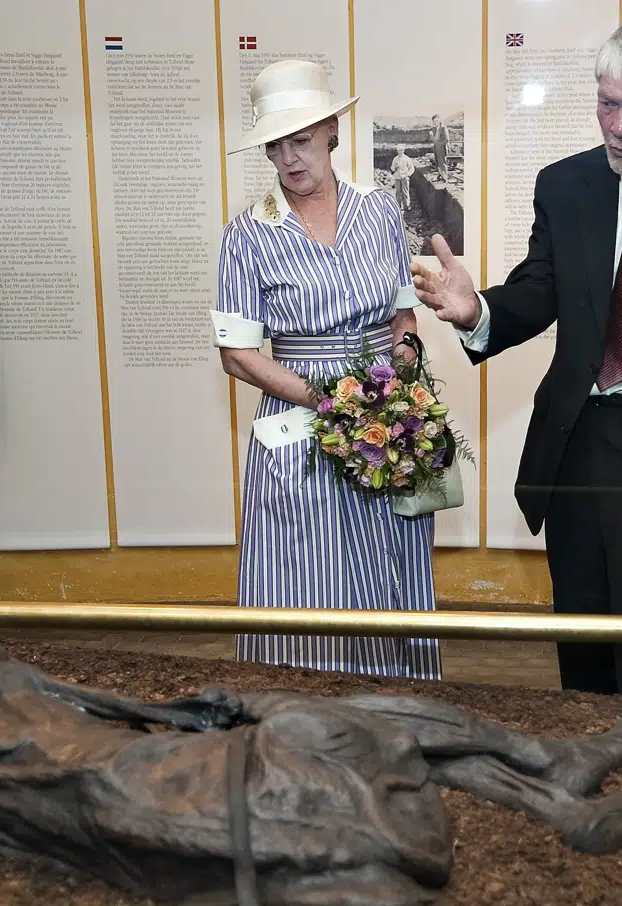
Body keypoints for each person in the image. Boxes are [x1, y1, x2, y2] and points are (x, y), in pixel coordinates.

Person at [411, 16, 622, 702]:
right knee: (580, 645)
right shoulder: (566, 186)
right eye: (605, 103)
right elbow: (539, 289)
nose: (617, 125)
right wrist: (477, 311)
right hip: (574, 443)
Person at [214, 60, 438, 678]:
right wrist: (328, 398)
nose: (289, 159)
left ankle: (397, 709)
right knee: (304, 572)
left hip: (383, 426)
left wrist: (406, 361)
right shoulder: (247, 236)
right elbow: (238, 355)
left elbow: (403, 314)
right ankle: (299, 712)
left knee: (389, 566)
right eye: (276, 145)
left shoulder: (380, 212)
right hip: (299, 424)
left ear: (333, 131)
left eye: (302, 140)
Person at [389, 145, 415, 210]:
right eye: (398, 151)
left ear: (403, 151)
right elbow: (392, 168)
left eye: (401, 150)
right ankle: (398, 205)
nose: (400, 152)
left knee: (405, 191)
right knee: (398, 192)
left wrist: (408, 174)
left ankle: (407, 205)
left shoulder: (407, 159)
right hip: (397, 177)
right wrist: (395, 167)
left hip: (405, 177)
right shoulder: (395, 159)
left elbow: (412, 168)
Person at [430, 114, 447, 181]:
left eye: (436, 120)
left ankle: (445, 178)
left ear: (439, 120)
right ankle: (440, 176)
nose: (435, 122)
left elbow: (447, 139)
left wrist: (440, 145)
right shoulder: (434, 129)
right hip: (436, 148)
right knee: (437, 162)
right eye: (434, 121)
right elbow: (434, 139)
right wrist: (431, 137)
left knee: (442, 163)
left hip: (441, 148)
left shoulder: (443, 127)